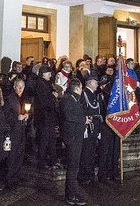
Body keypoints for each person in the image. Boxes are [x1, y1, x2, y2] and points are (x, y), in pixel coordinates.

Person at [60, 78, 87, 206]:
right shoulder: (68, 99)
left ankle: (72, 193)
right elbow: (68, 116)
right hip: (72, 137)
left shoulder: (74, 99)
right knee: (72, 166)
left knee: (74, 166)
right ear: (77, 88)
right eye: (81, 88)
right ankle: (70, 195)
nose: (82, 91)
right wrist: (83, 120)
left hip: (76, 136)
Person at [4, 78, 30, 190]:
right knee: (12, 156)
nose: (20, 89)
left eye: (22, 87)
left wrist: (27, 116)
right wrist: (16, 117)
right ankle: (9, 179)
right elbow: (5, 115)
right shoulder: (9, 99)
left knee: (20, 154)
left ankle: (16, 177)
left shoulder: (24, 98)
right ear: (14, 87)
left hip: (21, 131)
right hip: (13, 131)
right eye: (18, 86)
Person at [34, 65, 60, 170]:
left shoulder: (47, 84)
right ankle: (41, 161)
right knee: (44, 140)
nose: (50, 75)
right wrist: (52, 96)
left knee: (51, 139)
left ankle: (53, 160)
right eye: (48, 73)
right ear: (43, 74)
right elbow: (43, 101)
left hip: (49, 117)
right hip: (44, 117)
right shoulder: (40, 85)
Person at [79, 75, 103, 184]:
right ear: (89, 82)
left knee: (91, 152)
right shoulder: (84, 94)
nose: (97, 84)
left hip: (94, 127)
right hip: (87, 127)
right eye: (95, 82)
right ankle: (85, 176)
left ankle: (90, 175)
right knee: (86, 152)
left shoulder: (94, 95)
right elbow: (83, 109)